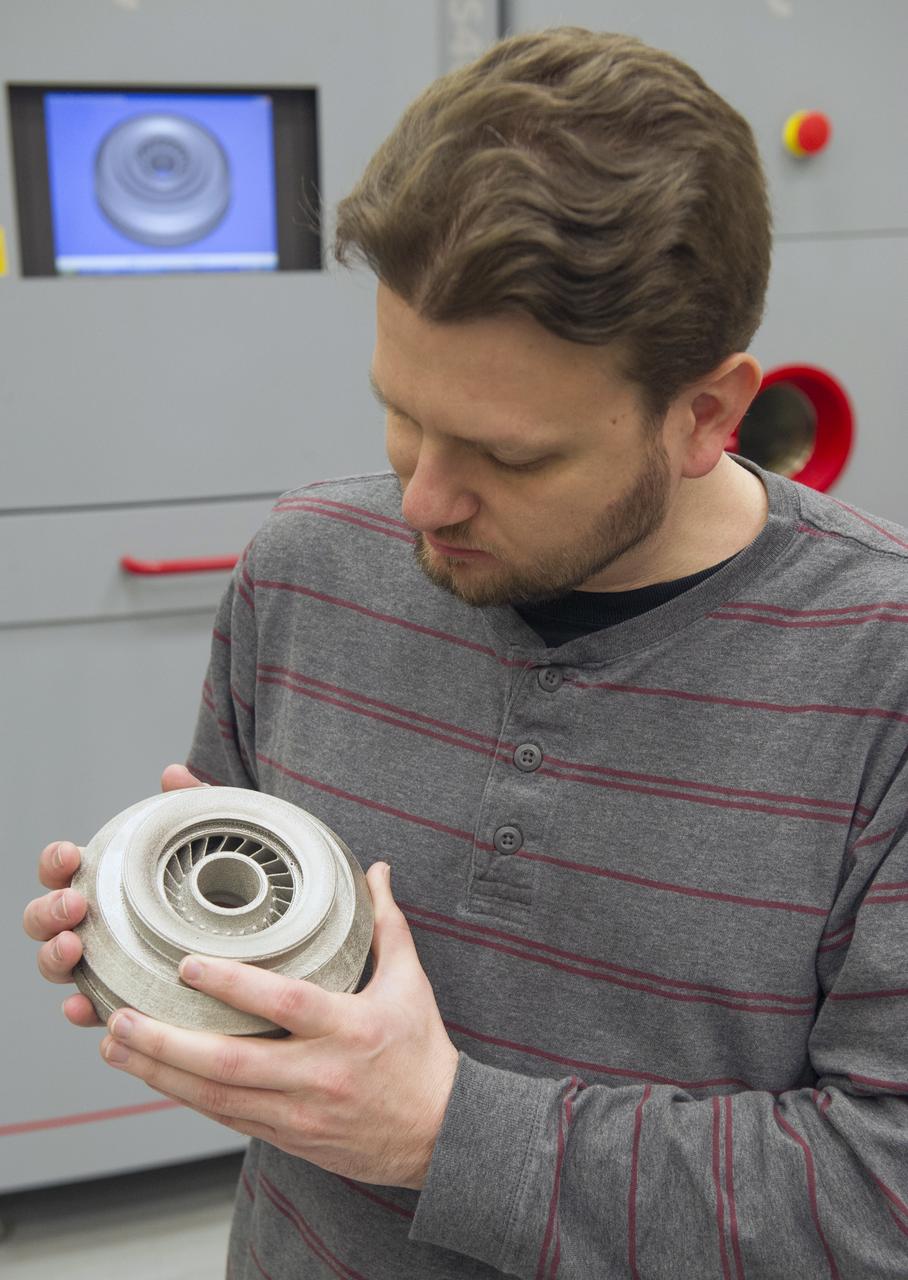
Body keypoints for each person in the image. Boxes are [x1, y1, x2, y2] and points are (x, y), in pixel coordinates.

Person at [23, 26, 908, 1279]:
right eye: (401, 412)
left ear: (707, 412)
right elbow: (266, 975)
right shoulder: (304, 562)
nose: (422, 502)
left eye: (510, 454)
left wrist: (439, 1134)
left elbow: (884, 1194)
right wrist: (155, 951)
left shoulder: (880, 674)